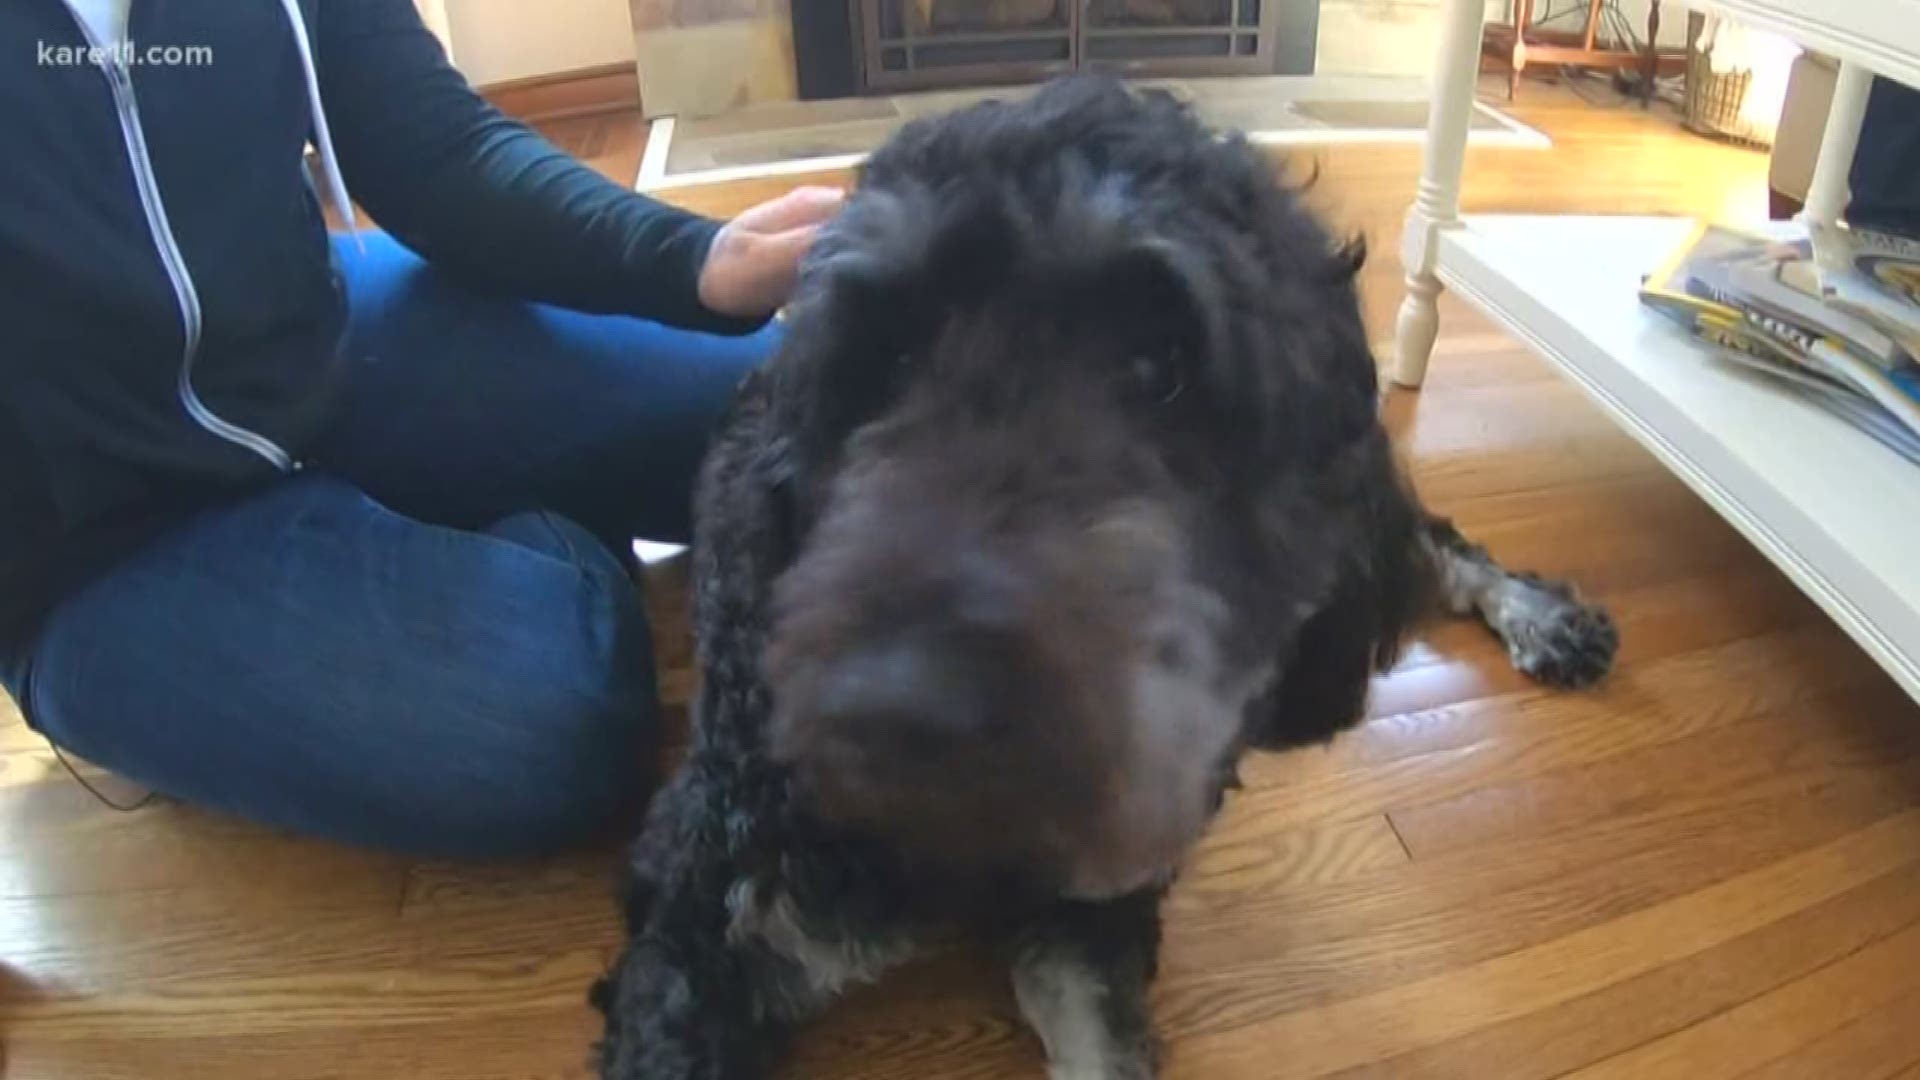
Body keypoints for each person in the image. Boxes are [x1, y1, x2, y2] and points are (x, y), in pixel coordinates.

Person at [0, 0, 842, 856]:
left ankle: (436, 556)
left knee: (799, 408)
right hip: (97, 547)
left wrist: (693, 260)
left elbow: (436, 146)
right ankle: (514, 560)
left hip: (318, 343)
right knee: (539, 728)